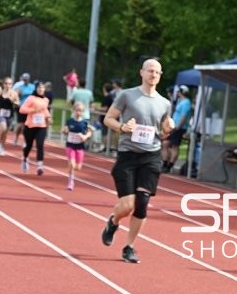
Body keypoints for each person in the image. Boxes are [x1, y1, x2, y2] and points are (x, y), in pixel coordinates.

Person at [100, 58, 174, 264]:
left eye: (157, 72)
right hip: (128, 154)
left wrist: (167, 130)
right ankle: (113, 222)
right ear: (141, 72)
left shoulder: (165, 103)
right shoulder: (127, 95)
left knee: (142, 203)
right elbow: (108, 119)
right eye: (150, 71)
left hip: (151, 155)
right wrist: (122, 127)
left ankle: (129, 247)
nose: (153, 75)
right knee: (127, 205)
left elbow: (162, 133)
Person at [18, 81, 52, 175]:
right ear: (36, 89)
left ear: (44, 89)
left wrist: (49, 117)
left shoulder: (46, 100)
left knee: (40, 145)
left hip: (41, 126)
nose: (41, 89)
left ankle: (40, 166)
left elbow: (45, 110)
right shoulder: (31, 98)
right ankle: (25, 159)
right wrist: (33, 110)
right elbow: (22, 109)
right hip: (30, 126)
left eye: (42, 88)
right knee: (28, 146)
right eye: (39, 88)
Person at [162, 84, 193, 173]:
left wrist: (178, 126)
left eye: (179, 91)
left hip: (178, 127)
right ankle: (165, 162)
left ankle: (169, 165)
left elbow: (183, 115)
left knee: (174, 146)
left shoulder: (186, 102)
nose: (178, 93)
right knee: (165, 143)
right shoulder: (181, 101)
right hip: (174, 126)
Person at [61, 101, 92, 190]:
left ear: (83, 112)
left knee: (78, 167)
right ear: (73, 110)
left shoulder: (84, 123)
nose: (78, 112)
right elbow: (63, 130)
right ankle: (71, 182)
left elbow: (89, 132)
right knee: (72, 164)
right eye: (77, 110)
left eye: (80, 111)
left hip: (80, 147)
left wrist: (85, 136)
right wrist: (64, 130)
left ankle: (71, 171)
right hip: (70, 145)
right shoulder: (70, 121)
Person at [0, 77, 19, 155]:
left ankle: (1, 146)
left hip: (10, 115)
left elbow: (17, 103)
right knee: (3, 128)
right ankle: (0, 144)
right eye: (6, 83)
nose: (8, 85)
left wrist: (12, 100)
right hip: (0, 114)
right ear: (3, 84)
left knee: (5, 133)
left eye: (9, 84)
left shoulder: (14, 93)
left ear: (11, 85)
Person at [13, 73, 35, 146]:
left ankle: (26, 140)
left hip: (30, 108)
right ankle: (16, 138)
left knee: (27, 125)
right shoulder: (20, 87)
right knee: (21, 124)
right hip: (21, 107)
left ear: (29, 79)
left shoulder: (32, 87)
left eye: (26, 79)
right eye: (24, 79)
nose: (25, 80)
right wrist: (17, 97)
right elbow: (15, 97)